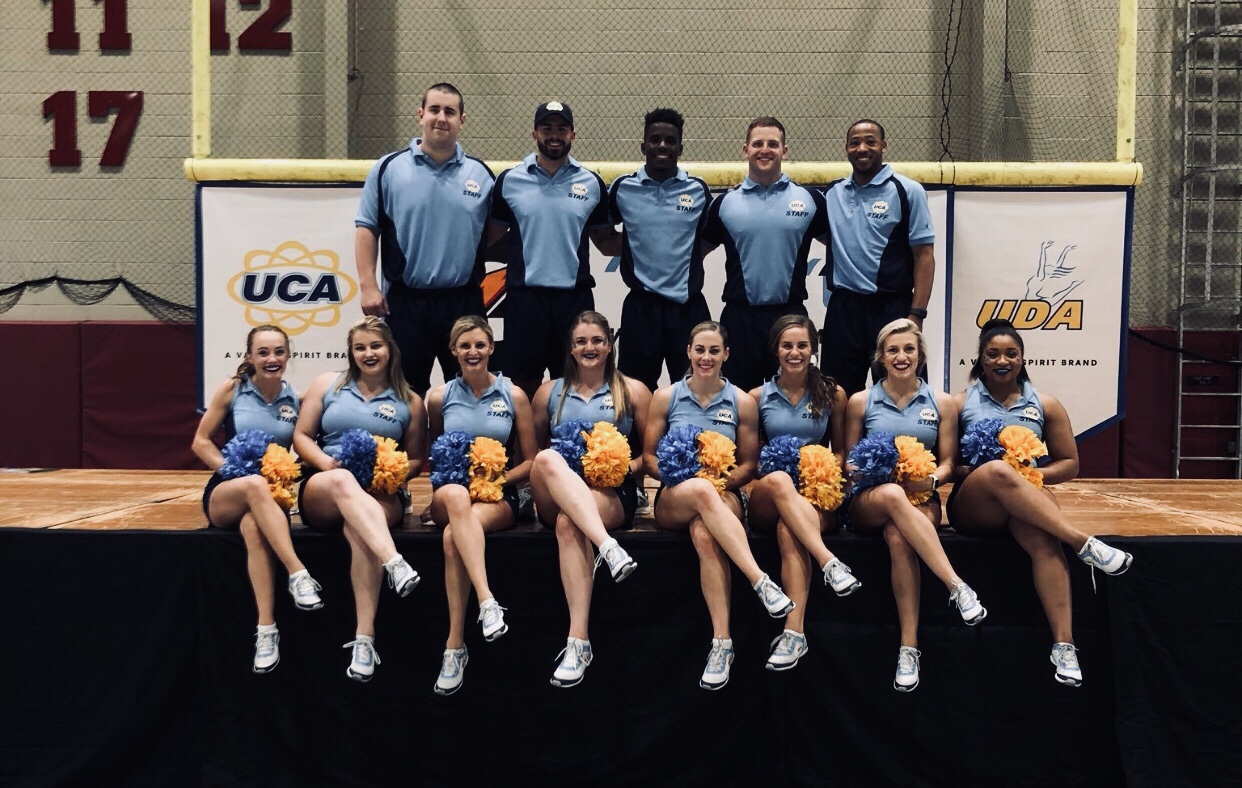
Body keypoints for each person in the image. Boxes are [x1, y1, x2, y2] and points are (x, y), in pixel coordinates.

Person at [950, 318, 1133, 687]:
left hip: (1025, 494)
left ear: (1023, 358)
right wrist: (993, 468)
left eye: (1011, 354)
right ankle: (1083, 542)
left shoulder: (1045, 404)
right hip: (975, 504)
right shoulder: (958, 403)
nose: (1002, 361)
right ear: (981, 359)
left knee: (1045, 541)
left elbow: (1069, 464)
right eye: (993, 354)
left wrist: (1029, 475)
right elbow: (949, 466)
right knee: (998, 471)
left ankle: (1064, 645)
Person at [643, 321, 794, 691]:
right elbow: (648, 458)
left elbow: (748, 465)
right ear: (688, 352)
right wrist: (682, 475)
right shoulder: (666, 396)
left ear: (726, 354)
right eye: (700, 350)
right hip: (675, 495)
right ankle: (759, 580)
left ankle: (721, 644)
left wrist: (718, 482)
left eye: (714, 351)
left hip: (724, 492)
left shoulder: (742, 402)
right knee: (699, 492)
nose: (706, 357)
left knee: (704, 532)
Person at [843, 318, 984, 692]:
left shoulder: (942, 402)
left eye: (909, 349)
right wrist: (875, 471)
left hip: (922, 496)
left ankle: (909, 647)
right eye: (893, 350)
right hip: (871, 499)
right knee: (892, 496)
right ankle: (956, 585)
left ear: (920, 355)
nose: (901, 356)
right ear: (881, 358)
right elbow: (849, 462)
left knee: (899, 536)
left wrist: (931, 480)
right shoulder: (860, 401)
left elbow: (949, 462)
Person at [293, 316, 426, 682]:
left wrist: (392, 473)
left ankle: (364, 640)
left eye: (376, 346)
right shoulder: (328, 383)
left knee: (360, 528)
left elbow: (417, 458)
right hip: (326, 485)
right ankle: (394, 562)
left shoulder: (411, 401)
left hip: (379, 492)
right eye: (360, 347)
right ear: (351, 352)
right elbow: (301, 436)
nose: (369, 353)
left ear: (390, 350)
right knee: (342, 482)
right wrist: (325, 462)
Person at [530, 311, 652, 687]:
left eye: (597, 340)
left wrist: (616, 466)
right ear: (570, 348)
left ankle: (578, 642)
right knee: (546, 459)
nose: (590, 347)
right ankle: (608, 547)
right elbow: (531, 452)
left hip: (609, 491)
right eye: (581, 341)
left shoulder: (633, 390)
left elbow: (648, 458)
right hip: (557, 490)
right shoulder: (548, 392)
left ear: (610, 345)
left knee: (569, 523)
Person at [193, 325, 321, 674]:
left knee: (253, 528)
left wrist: (293, 470)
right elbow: (201, 441)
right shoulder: (232, 389)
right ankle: (298, 573)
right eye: (263, 352)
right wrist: (231, 469)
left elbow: (305, 449)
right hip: (228, 490)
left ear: (288, 355)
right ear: (249, 357)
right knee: (253, 485)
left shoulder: (296, 399)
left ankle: (266, 630)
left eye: (278, 352)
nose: (271, 359)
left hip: (269, 497)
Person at [354, 82, 495, 396]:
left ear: (462, 120)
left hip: (463, 301)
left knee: (472, 391)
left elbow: (494, 231)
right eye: (434, 110)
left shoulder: (481, 175)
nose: (441, 118)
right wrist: (368, 285)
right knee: (405, 393)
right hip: (406, 302)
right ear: (420, 114)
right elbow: (367, 228)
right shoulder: (388, 168)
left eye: (450, 112)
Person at [426, 315, 538, 696]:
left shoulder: (513, 395)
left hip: (496, 493)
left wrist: (495, 480)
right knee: (457, 498)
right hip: (450, 493)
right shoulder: (439, 397)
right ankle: (487, 601)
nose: (472, 352)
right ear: (453, 351)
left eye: (479, 345)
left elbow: (530, 461)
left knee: (451, 538)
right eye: (465, 346)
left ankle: (454, 647)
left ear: (491, 348)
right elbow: (436, 455)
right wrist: (458, 484)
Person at [747, 315, 859, 672]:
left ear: (814, 349)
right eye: (787, 345)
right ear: (776, 349)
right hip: (770, 492)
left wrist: (819, 471)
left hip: (814, 494)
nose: (794, 352)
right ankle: (829, 562)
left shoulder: (833, 393)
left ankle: (794, 633)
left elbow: (840, 453)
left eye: (802, 345)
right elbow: (750, 461)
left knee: (789, 529)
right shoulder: (756, 397)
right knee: (780, 480)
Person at [488, 100, 614, 401]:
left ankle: (567, 434)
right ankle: (526, 435)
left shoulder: (592, 183)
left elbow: (606, 241)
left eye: (561, 128)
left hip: (573, 299)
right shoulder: (509, 180)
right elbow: (488, 237)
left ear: (572, 134)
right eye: (547, 128)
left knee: (572, 383)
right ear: (535, 134)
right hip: (524, 299)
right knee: (524, 383)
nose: (554, 135)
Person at [702, 117, 828, 392]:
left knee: (792, 399)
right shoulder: (724, 204)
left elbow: (842, 246)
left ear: (784, 150)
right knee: (738, 401)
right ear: (745, 149)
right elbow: (695, 254)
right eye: (758, 143)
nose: (765, 150)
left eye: (773, 144)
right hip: (739, 320)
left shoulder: (811, 201)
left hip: (790, 318)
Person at [821, 119, 936, 396]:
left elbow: (924, 255)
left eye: (870, 141)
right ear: (846, 148)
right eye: (855, 143)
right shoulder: (832, 193)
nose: (862, 148)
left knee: (903, 393)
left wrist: (917, 314)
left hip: (892, 308)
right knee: (836, 395)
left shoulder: (908, 190)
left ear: (883, 146)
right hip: (843, 310)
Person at [608, 108, 713, 390]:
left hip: (688, 309)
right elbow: (603, 238)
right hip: (641, 309)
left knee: (697, 389)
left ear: (680, 147)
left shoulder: (698, 190)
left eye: (670, 140)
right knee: (634, 391)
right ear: (643, 146)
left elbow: (708, 239)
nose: (662, 146)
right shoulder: (622, 188)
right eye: (655, 140)